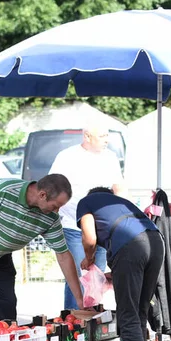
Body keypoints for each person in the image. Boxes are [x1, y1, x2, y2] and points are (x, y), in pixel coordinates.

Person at [0, 174, 83, 322]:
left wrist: (79, 299)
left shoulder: (50, 218)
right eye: (55, 206)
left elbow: (63, 255)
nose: (56, 211)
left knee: (7, 311)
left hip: (0, 257)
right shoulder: (2, 189)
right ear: (42, 195)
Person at [76, 187, 165, 341]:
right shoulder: (120, 205)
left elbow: (89, 238)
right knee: (139, 312)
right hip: (156, 242)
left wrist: (89, 258)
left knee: (127, 316)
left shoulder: (86, 202)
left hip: (131, 245)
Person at [48, 126, 124, 310]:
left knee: (96, 279)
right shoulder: (67, 156)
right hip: (73, 226)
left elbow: (119, 187)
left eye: (107, 135)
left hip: (102, 229)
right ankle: (73, 324)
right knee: (78, 277)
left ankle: (92, 325)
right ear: (87, 136)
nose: (107, 139)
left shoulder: (110, 157)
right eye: (102, 135)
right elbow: (52, 186)